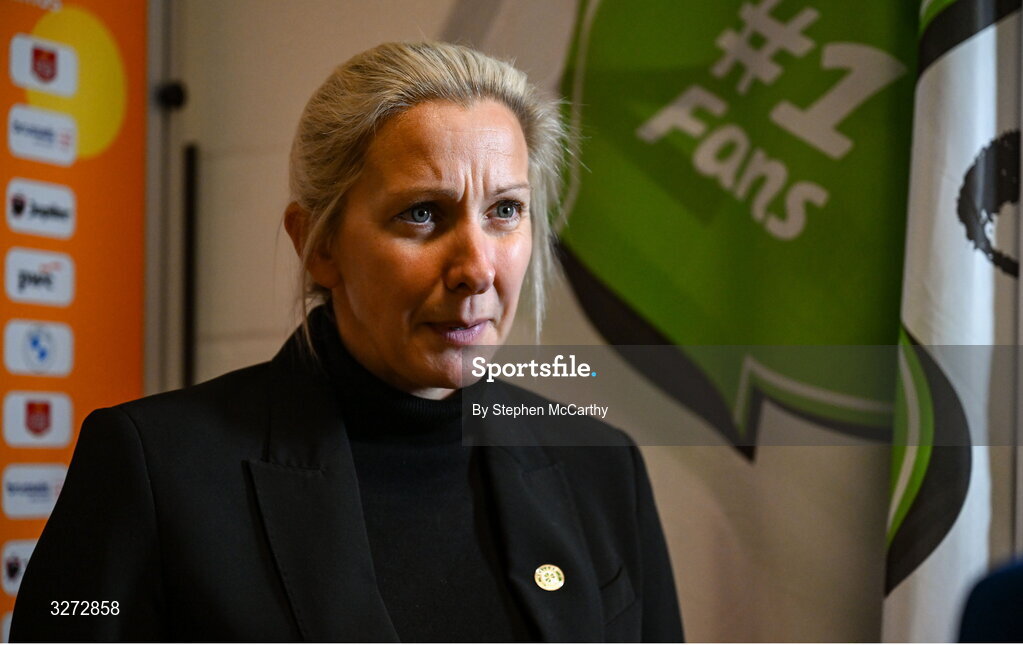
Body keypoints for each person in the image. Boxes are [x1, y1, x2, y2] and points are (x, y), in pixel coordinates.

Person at [11, 41, 684, 642]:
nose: (477, 267)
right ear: (318, 245)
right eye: (422, 213)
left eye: (504, 210)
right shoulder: (155, 470)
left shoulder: (601, 468)